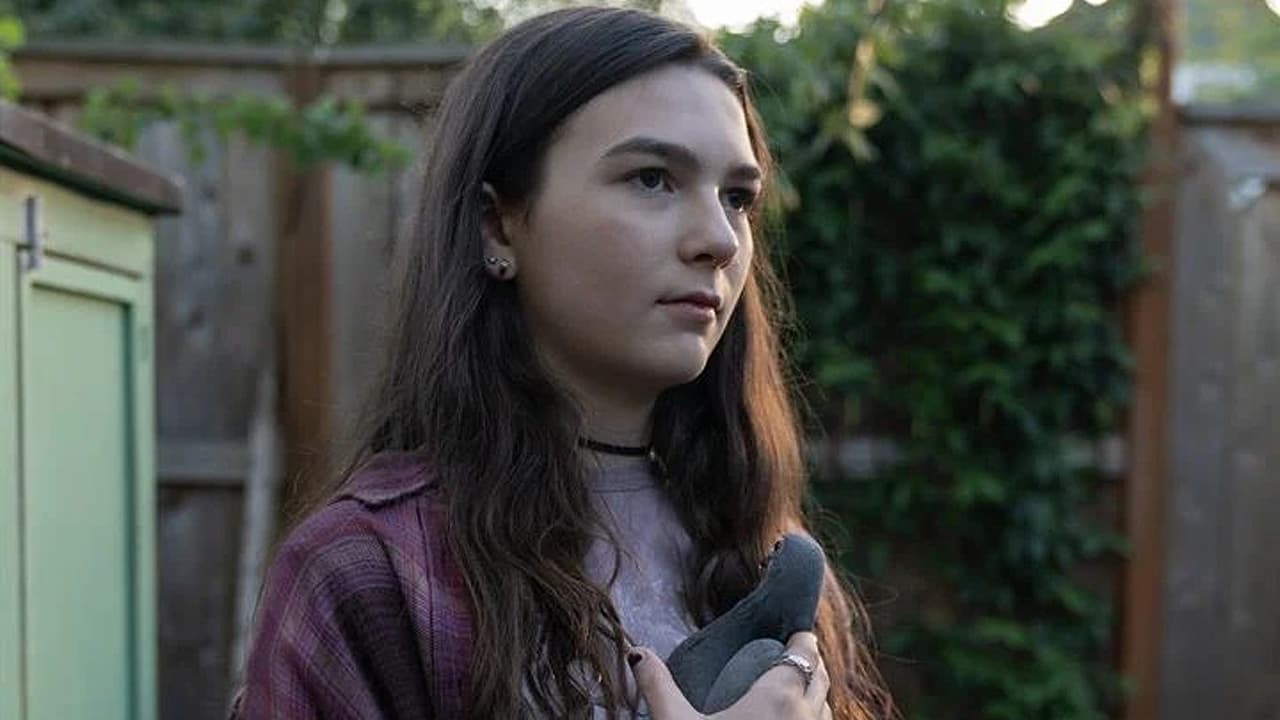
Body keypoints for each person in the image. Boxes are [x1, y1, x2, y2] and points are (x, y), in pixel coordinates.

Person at [231, 6, 896, 719]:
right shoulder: (368, 573)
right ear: (497, 225)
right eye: (652, 179)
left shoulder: (768, 557)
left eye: (737, 198)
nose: (720, 239)